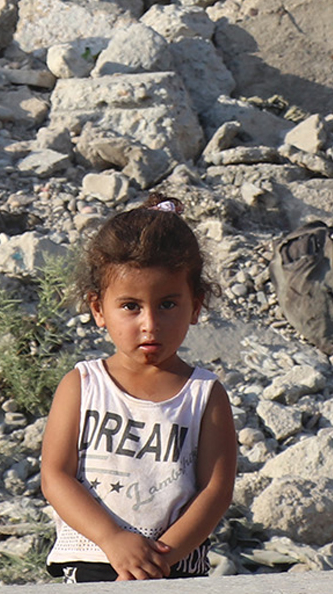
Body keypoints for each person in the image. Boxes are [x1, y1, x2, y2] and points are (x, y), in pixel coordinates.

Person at [41, 195, 238, 582]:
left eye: (167, 304)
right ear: (98, 309)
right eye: (130, 306)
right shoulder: (83, 385)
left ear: (195, 305)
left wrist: (159, 559)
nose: (150, 324)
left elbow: (215, 490)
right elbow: (55, 476)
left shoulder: (203, 395)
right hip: (93, 559)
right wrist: (113, 539)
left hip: (172, 568)